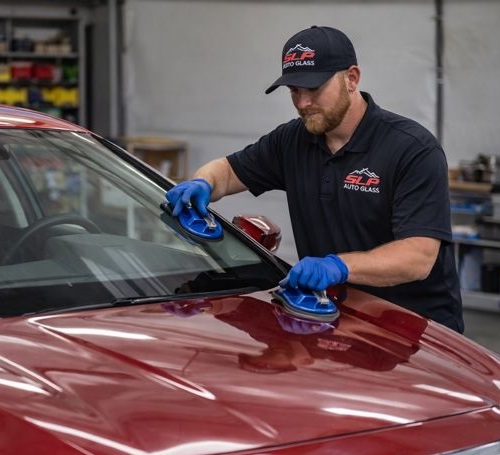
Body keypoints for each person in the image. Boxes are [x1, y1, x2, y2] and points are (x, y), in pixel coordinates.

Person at [166, 25, 463, 332]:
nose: (302, 103)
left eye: (314, 88)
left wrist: (338, 266)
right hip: (330, 317)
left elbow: (417, 256)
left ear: (352, 78)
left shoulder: (411, 149)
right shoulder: (292, 141)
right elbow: (227, 172)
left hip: (414, 332)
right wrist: (203, 182)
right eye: (294, 90)